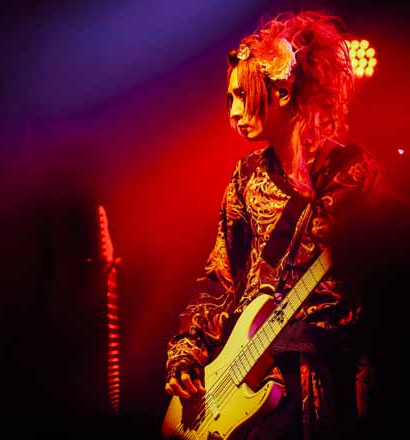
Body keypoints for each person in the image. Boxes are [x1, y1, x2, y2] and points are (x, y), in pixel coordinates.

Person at [163, 10, 381, 440]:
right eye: (229, 99)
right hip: (245, 378)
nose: (233, 112)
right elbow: (221, 275)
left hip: (326, 374)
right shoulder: (246, 177)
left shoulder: (352, 173)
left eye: (242, 95)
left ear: (281, 91)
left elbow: (384, 279)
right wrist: (188, 351)